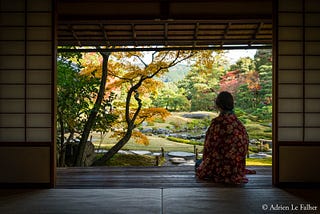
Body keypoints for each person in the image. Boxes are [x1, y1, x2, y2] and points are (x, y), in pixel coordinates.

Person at [195, 91, 254, 184]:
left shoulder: (217, 122)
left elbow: (208, 145)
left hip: (221, 165)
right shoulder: (237, 123)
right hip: (236, 166)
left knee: (198, 164)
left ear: (218, 105)